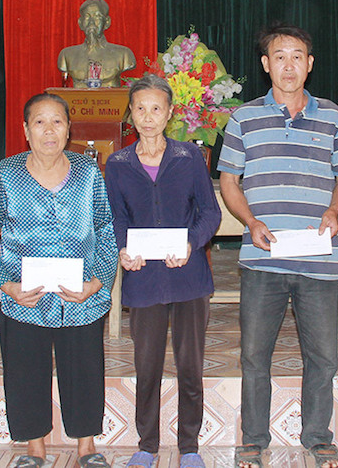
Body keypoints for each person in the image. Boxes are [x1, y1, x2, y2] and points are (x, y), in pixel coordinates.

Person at [218, 23, 338, 468]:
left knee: (323, 356)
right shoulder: (243, 118)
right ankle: (253, 440)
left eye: (297, 56)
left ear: (310, 64)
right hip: (263, 258)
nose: (289, 65)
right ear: (266, 65)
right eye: (280, 57)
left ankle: (317, 437)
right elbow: (229, 181)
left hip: (318, 257)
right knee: (254, 355)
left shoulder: (333, 117)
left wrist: (333, 210)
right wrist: (250, 221)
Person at [0, 93, 118, 468]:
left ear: (69, 129)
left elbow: (105, 230)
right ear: (26, 130)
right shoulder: (7, 173)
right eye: (40, 122)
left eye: (58, 121)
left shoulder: (88, 173)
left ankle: (86, 445)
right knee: (25, 369)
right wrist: (5, 286)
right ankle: (34, 446)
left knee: (85, 368)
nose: (49, 130)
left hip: (80, 297)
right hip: (24, 298)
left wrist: (97, 283)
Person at [104, 74, 222, 468]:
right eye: (140, 109)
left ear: (170, 113)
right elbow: (116, 217)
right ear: (131, 114)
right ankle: (147, 445)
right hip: (144, 280)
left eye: (156, 108)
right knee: (147, 365)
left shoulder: (189, 158)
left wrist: (191, 243)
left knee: (190, 365)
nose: (148, 116)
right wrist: (123, 249)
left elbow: (210, 213)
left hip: (188, 278)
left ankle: (189, 446)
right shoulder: (118, 164)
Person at [57, 0, 137, 88]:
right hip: (78, 97)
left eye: (97, 17)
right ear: (80, 23)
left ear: (107, 22)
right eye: (87, 17)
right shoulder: (66, 55)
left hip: (111, 96)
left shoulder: (124, 54)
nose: (91, 22)